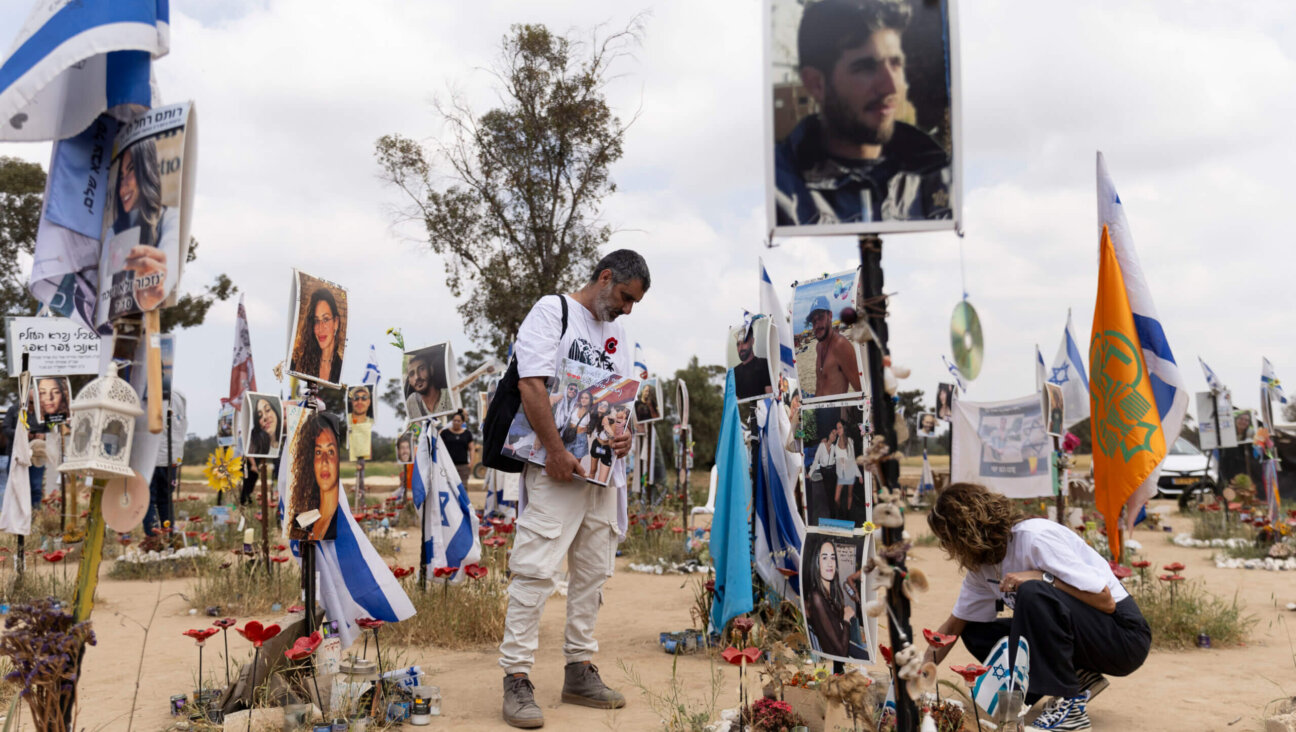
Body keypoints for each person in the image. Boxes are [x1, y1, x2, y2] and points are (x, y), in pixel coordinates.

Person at [498, 249, 650, 728]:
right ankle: (517, 677)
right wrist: (557, 451)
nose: (627, 309)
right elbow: (531, 386)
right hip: (555, 468)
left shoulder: (620, 333)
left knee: (592, 573)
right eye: (625, 297)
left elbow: (621, 399)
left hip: (603, 474)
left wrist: (625, 434)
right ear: (605, 278)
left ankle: (579, 669)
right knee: (535, 570)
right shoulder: (552, 311)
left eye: (634, 303)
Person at [923, 483, 1151, 731]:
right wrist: (918, 675)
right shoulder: (981, 565)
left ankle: (1071, 708)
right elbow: (954, 626)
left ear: (966, 530)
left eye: (947, 538)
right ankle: (1075, 677)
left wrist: (1042, 577)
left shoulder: (1035, 538)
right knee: (974, 629)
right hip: (1085, 639)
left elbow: (1105, 601)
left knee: (1032, 592)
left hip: (1122, 638)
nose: (947, 547)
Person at [774, 0, 951, 227]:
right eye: (866, 67)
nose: (890, 87)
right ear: (816, 84)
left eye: (895, 64)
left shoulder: (938, 173)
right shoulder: (778, 190)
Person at [106, 137, 181, 314]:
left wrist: (154, 287)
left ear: (146, 171)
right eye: (121, 177)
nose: (123, 186)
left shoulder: (170, 217)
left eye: (131, 171)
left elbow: (171, 251)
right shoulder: (113, 232)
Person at [288, 413, 343, 542]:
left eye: (330, 452)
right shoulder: (304, 518)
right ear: (310, 461)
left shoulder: (340, 523)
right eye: (318, 452)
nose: (324, 461)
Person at [804, 535, 856, 658]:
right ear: (816, 562)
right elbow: (841, 652)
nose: (830, 563)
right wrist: (846, 619)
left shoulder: (830, 594)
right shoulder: (816, 597)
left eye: (832, 558)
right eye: (824, 558)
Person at [145, 391, 187, 534]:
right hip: (171, 457)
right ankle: (168, 537)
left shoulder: (149, 393)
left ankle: (153, 538)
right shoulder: (178, 396)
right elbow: (183, 425)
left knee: (148, 499)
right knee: (165, 499)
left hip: (152, 456)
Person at [806, 296, 860, 398]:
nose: (816, 325)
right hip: (818, 410)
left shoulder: (841, 345)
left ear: (830, 315)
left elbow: (861, 391)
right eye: (813, 321)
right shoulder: (819, 346)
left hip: (835, 412)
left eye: (820, 318)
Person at [293, 288, 344, 384]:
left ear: (336, 322)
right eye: (316, 321)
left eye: (325, 319)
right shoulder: (300, 363)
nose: (320, 328)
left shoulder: (341, 369)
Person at [733, 326, 773, 400]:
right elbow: (736, 403)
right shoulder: (734, 372)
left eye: (744, 342)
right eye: (738, 344)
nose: (740, 348)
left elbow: (770, 398)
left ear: (752, 341)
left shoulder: (764, 364)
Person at [405, 350, 446, 420]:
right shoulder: (412, 401)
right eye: (412, 374)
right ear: (409, 381)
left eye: (421, 369)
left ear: (431, 369)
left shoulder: (450, 396)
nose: (417, 377)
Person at [831, 420, 860, 520]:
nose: (838, 430)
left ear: (844, 428)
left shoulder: (850, 441)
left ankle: (848, 513)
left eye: (840, 427)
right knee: (836, 498)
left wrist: (859, 475)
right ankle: (841, 512)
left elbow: (853, 459)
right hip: (841, 473)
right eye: (837, 427)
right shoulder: (836, 441)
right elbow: (833, 456)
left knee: (849, 495)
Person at [440, 410, 475, 488]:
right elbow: (439, 448)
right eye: (454, 420)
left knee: (463, 488)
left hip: (463, 466)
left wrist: (471, 463)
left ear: (462, 422)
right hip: (448, 466)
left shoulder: (467, 434)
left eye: (458, 421)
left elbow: (472, 448)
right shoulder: (445, 433)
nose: (456, 422)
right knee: (449, 488)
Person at [583, 400, 612, 477]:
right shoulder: (593, 417)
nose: (602, 406)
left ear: (608, 409)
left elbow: (612, 437)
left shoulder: (609, 420)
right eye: (600, 404)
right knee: (592, 471)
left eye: (605, 406)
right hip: (596, 444)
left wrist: (608, 427)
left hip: (606, 448)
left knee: (602, 478)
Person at [348, 386, 374, 460]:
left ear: (369, 402)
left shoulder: (373, 424)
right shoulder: (345, 421)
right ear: (352, 401)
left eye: (364, 398)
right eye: (356, 398)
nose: (359, 402)